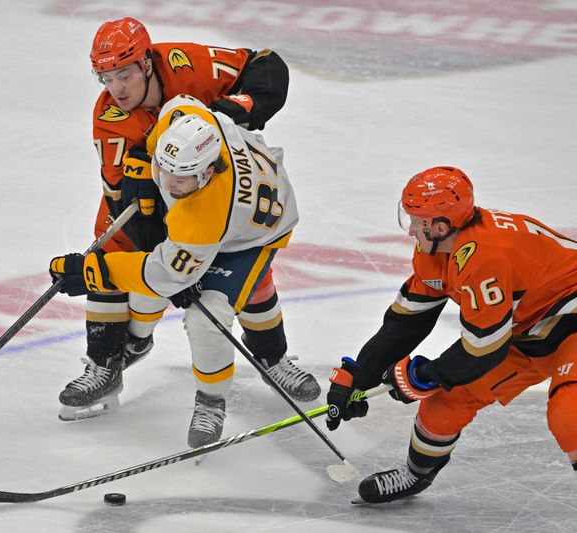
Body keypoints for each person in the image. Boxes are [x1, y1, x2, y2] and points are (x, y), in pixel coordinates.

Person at [58, 16, 317, 421]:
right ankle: (107, 361)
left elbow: (265, 65)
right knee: (113, 241)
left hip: (218, 182)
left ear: (146, 63)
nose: (116, 90)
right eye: (105, 78)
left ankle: (272, 358)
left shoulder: (185, 65)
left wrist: (237, 109)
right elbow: (117, 198)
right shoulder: (110, 119)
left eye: (123, 74)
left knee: (245, 262)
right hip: (156, 191)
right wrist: (154, 260)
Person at [325, 166, 577, 503]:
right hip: (530, 331)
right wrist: (361, 373)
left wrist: (427, 374)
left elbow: (485, 347)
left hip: (568, 323)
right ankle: (417, 476)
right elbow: (408, 321)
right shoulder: (439, 249)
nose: (411, 228)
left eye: (416, 219)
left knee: (569, 412)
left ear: (440, 226)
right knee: (445, 402)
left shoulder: (486, 256)